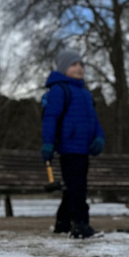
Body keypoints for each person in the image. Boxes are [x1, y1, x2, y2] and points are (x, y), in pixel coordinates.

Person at [41, 49, 104, 239]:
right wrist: (48, 143)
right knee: (78, 187)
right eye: (73, 64)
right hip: (68, 147)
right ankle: (80, 224)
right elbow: (50, 118)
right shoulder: (59, 90)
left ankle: (63, 223)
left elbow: (94, 119)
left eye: (81, 64)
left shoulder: (85, 94)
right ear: (63, 68)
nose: (79, 68)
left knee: (73, 187)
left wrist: (99, 137)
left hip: (84, 148)